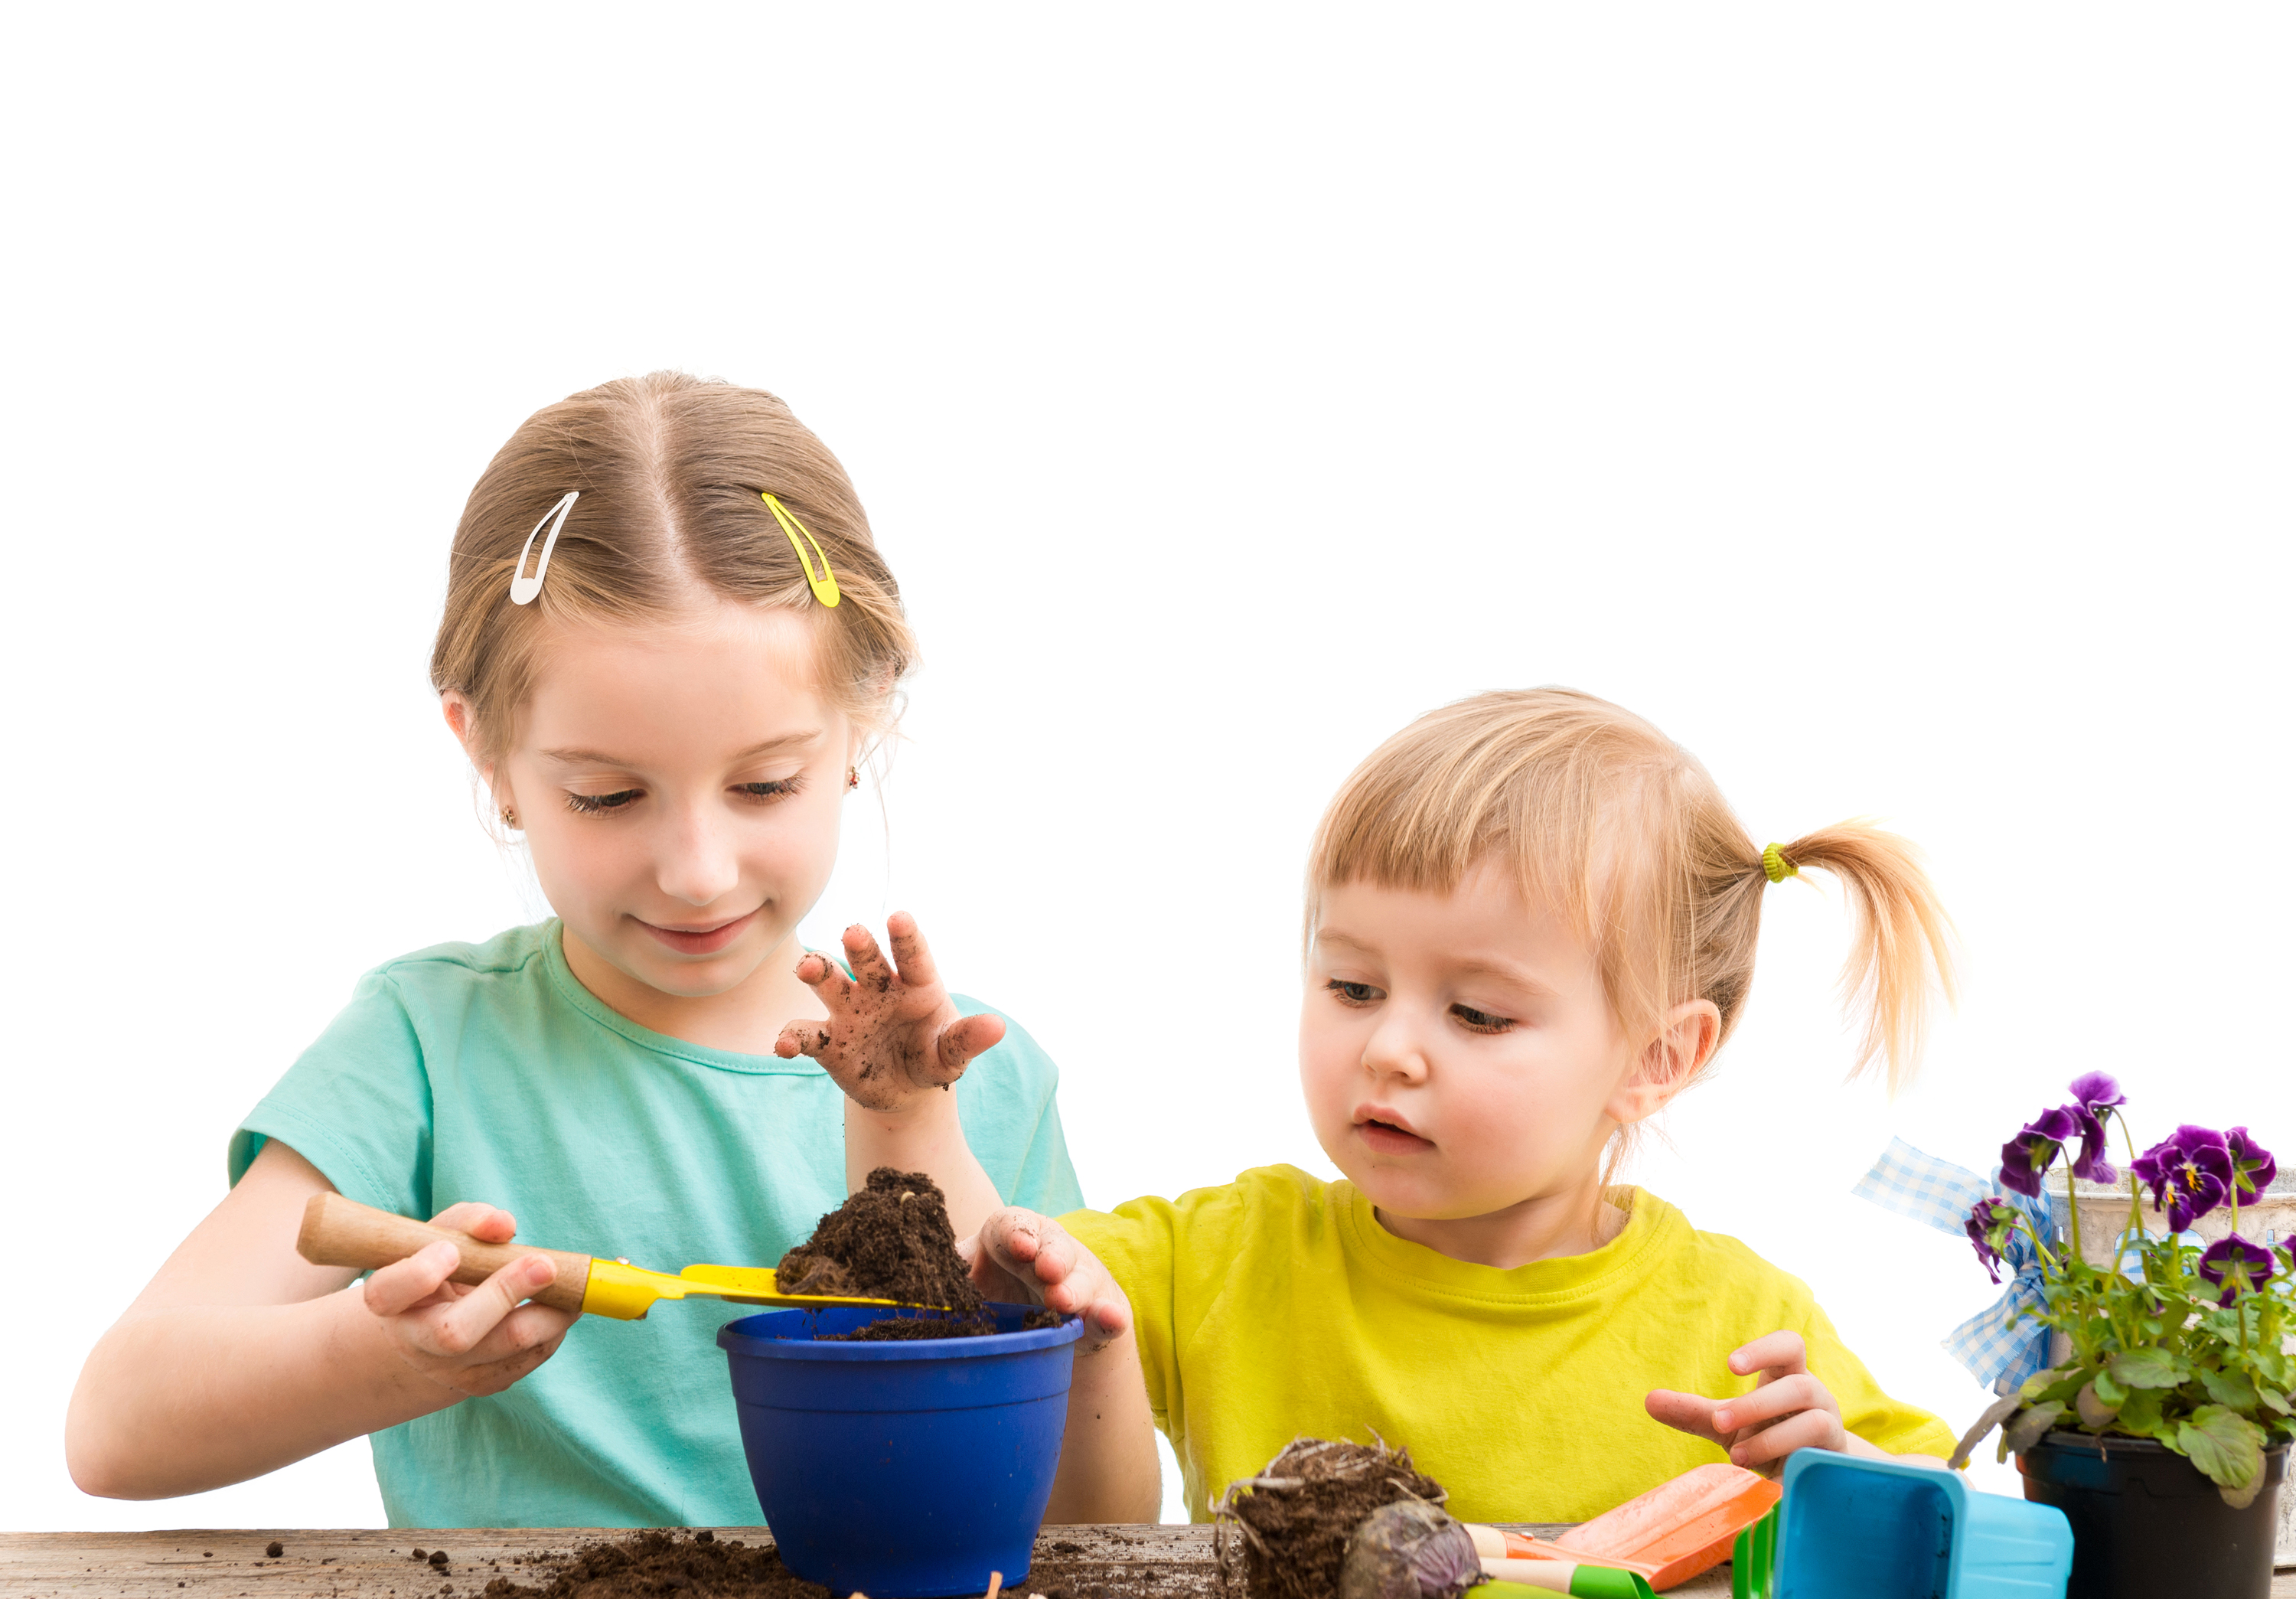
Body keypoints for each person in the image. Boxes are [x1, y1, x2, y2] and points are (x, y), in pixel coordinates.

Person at [66, 373, 1084, 1527]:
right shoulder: (428, 1049)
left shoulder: (987, 1080)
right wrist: (383, 1359)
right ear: (487, 750)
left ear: (864, 719)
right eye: (607, 796)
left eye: (764, 784)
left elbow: (1092, 1510)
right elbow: (113, 1426)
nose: (697, 870)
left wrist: (911, 1130)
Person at [955, 687, 1961, 1523]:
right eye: (1353, 987)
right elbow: (965, 1306)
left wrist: (1837, 1473)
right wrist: (980, 1198)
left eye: (1476, 1013)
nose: (1389, 1049)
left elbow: (1945, 1513)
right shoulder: (1221, 1259)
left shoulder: (1741, 1333)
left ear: (1655, 1058)